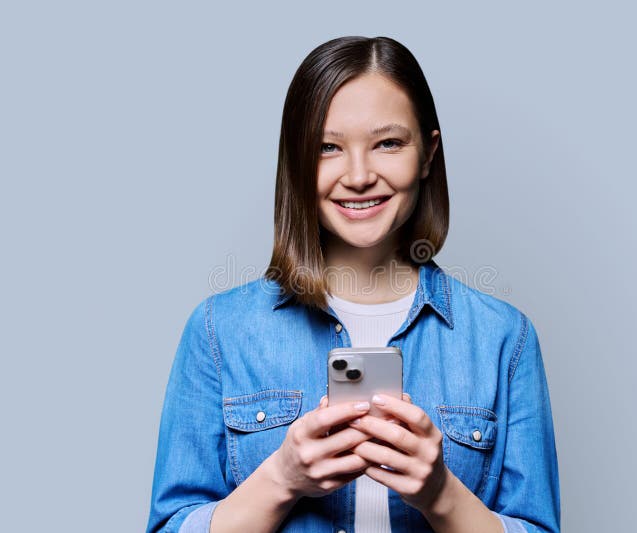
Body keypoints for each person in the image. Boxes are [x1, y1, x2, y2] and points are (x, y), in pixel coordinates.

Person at [145, 36, 560, 533]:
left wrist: (441, 494)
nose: (359, 175)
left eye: (388, 143)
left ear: (427, 154)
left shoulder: (503, 339)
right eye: (327, 147)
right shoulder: (219, 331)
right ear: (297, 161)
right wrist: (282, 477)